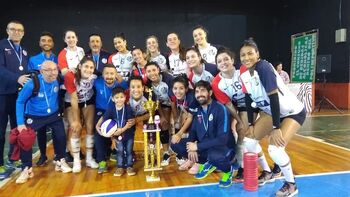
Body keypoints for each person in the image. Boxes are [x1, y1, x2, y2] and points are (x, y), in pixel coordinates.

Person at [240, 39, 306, 197]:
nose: (246, 57)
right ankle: (268, 172)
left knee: (275, 149)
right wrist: (250, 123)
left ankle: (291, 184)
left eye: (250, 53)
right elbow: (249, 100)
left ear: (258, 54)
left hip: (292, 112)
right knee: (249, 141)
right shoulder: (243, 73)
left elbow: (274, 98)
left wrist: (276, 128)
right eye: (243, 55)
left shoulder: (264, 67)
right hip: (271, 112)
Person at [15, 61, 72, 184]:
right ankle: (26, 168)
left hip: (53, 114)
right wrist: (20, 123)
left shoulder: (57, 79)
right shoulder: (32, 84)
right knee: (25, 139)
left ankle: (60, 160)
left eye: (54, 70)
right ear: (41, 71)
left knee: (61, 136)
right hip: (34, 116)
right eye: (48, 70)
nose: (52, 73)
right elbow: (20, 102)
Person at [171, 80, 236, 187]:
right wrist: (191, 145)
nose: (199, 94)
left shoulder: (220, 109)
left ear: (210, 93)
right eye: (197, 91)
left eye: (202, 91)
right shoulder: (198, 110)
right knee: (176, 144)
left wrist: (197, 146)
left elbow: (222, 139)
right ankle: (207, 162)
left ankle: (228, 171)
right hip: (206, 146)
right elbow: (193, 130)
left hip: (223, 147)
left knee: (215, 156)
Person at [0, 20, 30, 178]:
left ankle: (14, 158)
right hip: (3, 94)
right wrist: (17, 79)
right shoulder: (2, 46)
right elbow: (1, 69)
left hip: (19, 96)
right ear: (7, 30)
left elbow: (25, 70)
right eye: (13, 29)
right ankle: (0, 166)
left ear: (23, 33)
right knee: (0, 131)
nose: (16, 32)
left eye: (19, 30)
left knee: (17, 129)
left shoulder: (24, 50)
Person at [27, 31, 59, 166]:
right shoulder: (33, 60)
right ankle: (43, 155)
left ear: (52, 43)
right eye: (43, 40)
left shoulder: (57, 59)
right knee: (40, 131)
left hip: (55, 99)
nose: (46, 43)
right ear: (40, 43)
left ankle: (59, 156)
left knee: (58, 131)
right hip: (38, 103)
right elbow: (30, 80)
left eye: (49, 40)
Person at [64, 57, 98, 173]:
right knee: (76, 128)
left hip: (87, 101)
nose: (89, 69)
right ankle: (77, 160)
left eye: (91, 67)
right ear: (80, 66)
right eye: (86, 66)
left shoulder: (95, 76)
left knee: (90, 127)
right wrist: (77, 120)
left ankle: (89, 158)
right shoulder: (70, 76)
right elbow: (73, 98)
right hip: (71, 102)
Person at [93, 64, 128, 173]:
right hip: (101, 111)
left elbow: (130, 87)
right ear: (102, 74)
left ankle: (121, 154)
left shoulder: (121, 84)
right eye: (106, 73)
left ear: (116, 74)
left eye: (112, 73)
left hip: (116, 110)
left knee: (120, 131)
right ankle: (102, 161)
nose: (109, 76)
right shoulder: (96, 82)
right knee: (100, 133)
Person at [96, 87, 136, 176]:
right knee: (119, 151)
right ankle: (120, 167)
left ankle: (129, 166)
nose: (119, 99)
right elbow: (105, 121)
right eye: (117, 98)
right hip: (117, 136)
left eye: (121, 97)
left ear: (125, 97)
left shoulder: (128, 108)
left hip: (128, 134)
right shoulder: (111, 109)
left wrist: (122, 129)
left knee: (129, 150)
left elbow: (130, 123)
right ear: (113, 99)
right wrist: (111, 136)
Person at [145, 61, 174, 166]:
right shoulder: (148, 84)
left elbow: (174, 99)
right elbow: (156, 101)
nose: (152, 73)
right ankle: (166, 152)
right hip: (162, 105)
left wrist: (174, 117)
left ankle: (179, 151)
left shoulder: (168, 79)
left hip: (174, 102)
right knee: (163, 123)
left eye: (154, 70)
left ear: (158, 70)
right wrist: (162, 117)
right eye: (149, 71)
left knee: (176, 123)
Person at [169, 75, 195, 167]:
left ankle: (199, 161)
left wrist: (179, 133)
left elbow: (191, 117)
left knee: (192, 138)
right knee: (175, 144)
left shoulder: (191, 98)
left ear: (186, 89)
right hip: (193, 122)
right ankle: (191, 158)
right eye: (175, 88)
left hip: (201, 124)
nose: (178, 91)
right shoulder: (176, 97)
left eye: (181, 88)